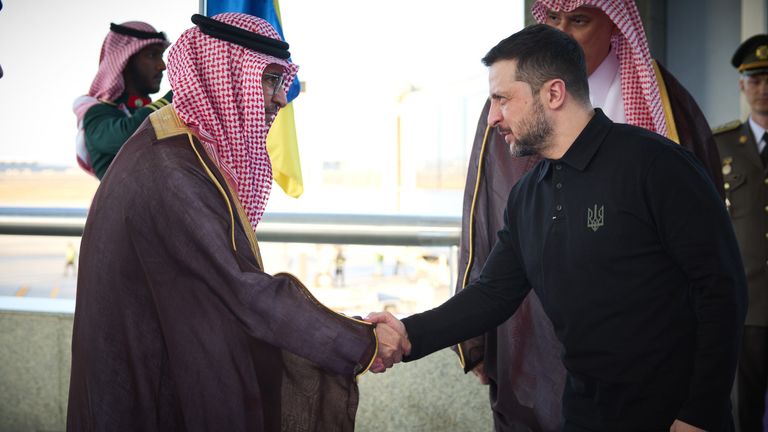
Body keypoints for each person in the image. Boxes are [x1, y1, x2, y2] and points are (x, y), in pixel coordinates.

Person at [369, 24, 746, 432]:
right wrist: (407, 334)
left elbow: (721, 289)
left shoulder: (657, 166)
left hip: (674, 418)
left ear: (553, 94)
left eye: (502, 99)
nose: (492, 117)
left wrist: (698, 412)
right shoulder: (526, 195)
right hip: (584, 416)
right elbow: (492, 294)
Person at [66, 13, 402, 431]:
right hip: (144, 387)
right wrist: (360, 341)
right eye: (271, 80)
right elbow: (243, 290)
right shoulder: (173, 167)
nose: (281, 100)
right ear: (224, 74)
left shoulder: (177, 146)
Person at [452, 1, 726, 430]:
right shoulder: (523, 174)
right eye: (553, 19)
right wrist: (416, 337)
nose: (561, 32)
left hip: (661, 398)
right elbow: (489, 266)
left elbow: (718, 286)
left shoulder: (658, 153)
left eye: (578, 20)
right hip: (561, 373)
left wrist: (698, 412)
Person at [712, 34, 768, 432]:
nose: (764, 88)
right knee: (743, 409)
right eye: (756, 79)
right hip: (746, 304)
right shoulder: (720, 145)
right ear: (742, 85)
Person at [73, 21, 173, 179]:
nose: (162, 66)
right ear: (125, 61)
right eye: (151, 55)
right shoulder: (96, 114)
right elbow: (129, 137)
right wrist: (179, 94)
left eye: (161, 56)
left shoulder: (148, 110)